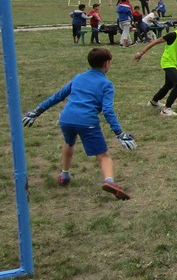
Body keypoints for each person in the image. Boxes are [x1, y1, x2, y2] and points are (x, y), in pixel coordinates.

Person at [21, 47, 136, 199]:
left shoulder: (78, 77)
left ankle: (65, 175)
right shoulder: (106, 84)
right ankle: (109, 181)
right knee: (103, 155)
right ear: (107, 63)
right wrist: (119, 133)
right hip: (87, 121)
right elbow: (107, 110)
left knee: (69, 143)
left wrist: (37, 111)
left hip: (66, 119)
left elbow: (58, 96)